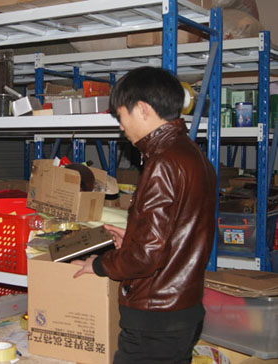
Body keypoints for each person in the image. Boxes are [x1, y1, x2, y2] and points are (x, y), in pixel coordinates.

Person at [72, 66, 217, 364]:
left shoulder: (163, 162)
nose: (121, 126)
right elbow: (180, 233)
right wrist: (135, 236)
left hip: (155, 317)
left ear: (142, 109)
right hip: (182, 307)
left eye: (121, 115)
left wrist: (99, 264)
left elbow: (147, 256)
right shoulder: (193, 156)